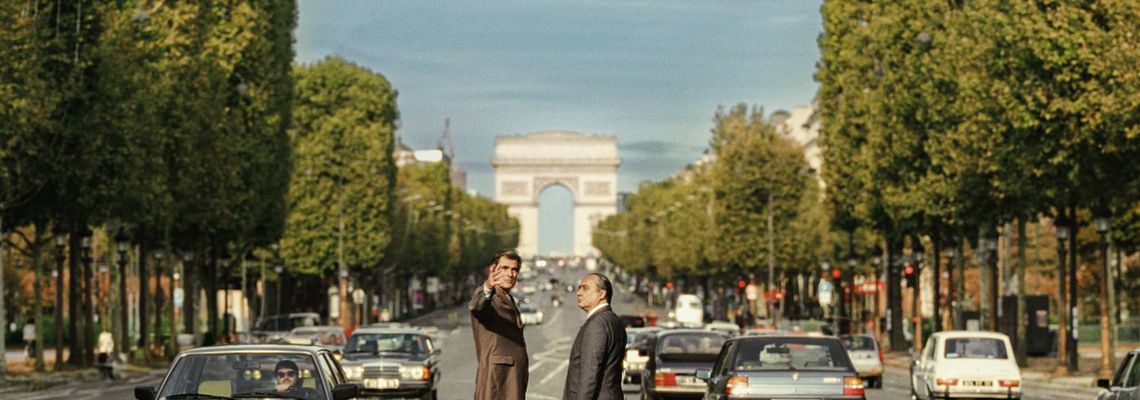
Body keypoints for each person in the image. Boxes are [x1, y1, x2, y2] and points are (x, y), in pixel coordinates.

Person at [468, 249, 528, 400]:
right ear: (493, 269)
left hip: (510, 381)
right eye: (504, 268)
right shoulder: (491, 297)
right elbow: (477, 307)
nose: (510, 274)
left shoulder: (509, 298)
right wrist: (488, 286)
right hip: (497, 383)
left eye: (514, 269)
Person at [562, 273, 626, 400]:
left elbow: (589, 375)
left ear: (601, 294)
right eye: (579, 288)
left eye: (585, 288)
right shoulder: (614, 320)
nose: (579, 293)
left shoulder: (596, 325)